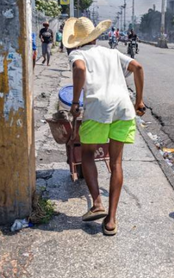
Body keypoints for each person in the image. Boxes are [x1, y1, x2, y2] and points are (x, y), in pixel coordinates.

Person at [63, 17, 146, 236]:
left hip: (98, 110)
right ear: (96, 36)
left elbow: (79, 70)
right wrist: (139, 101)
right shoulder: (112, 53)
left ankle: (98, 203)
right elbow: (137, 67)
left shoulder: (77, 54)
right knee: (116, 162)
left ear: (76, 41)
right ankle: (111, 220)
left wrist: (74, 102)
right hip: (123, 109)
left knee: (88, 154)